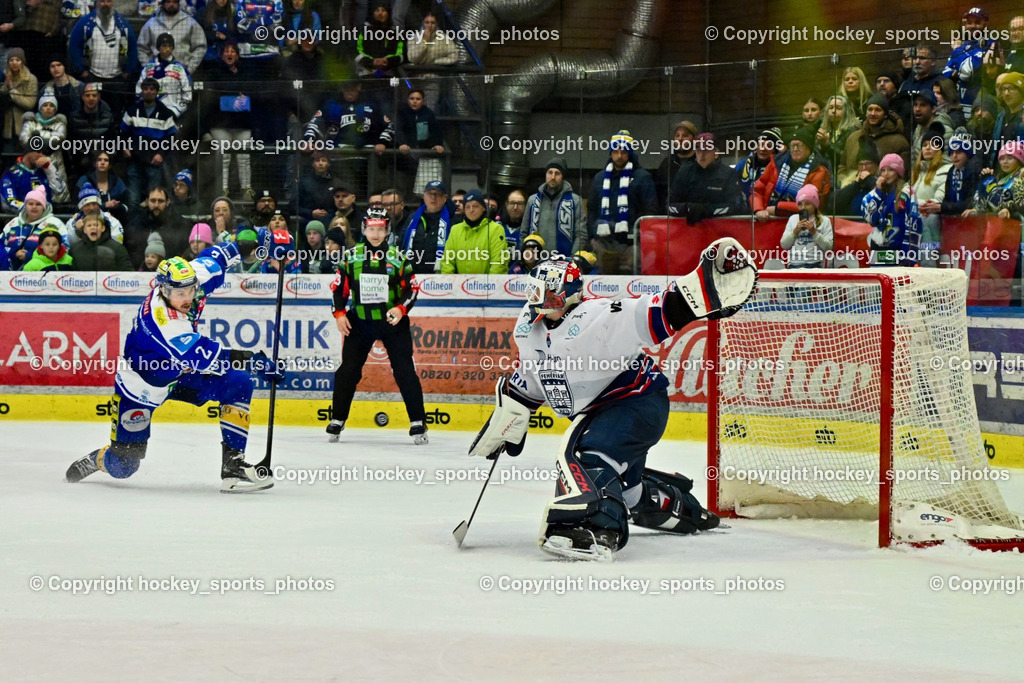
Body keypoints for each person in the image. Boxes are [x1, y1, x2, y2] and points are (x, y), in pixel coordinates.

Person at [468, 238, 758, 559]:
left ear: (570, 296)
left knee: (590, 460)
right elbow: (535, 374)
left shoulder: (601, 317)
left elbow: (656, 311)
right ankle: (687, 511)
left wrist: (702, 291)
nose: (538, 302)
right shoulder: (530, 326)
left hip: (637, 403)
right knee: (628, 491)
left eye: (547, 295)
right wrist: (514, 411)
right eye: (534, 293)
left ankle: (601, 529)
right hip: (602, 413)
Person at [65, 235, 287, 492]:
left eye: (190, 291)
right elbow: (207, 356)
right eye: (179, 293)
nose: (187, 298)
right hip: (142, 384)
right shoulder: (163, 322)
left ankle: (233, 466)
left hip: (181, 375)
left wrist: (262, 242)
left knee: (238, 384)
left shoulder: (194, 276)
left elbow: (225, 253)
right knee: (125, 465)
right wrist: (255, 361)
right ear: (163, 290)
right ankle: (98, 459)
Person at [326, 208, 427, 445]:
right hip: (359, 322)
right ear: (364, 229)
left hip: (392, 323)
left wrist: (401, 309)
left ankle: (418, 422)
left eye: (380, 229)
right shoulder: (351, 257)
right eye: (371, 229)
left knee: (404, 371)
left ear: (387, 230)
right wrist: (340, 314)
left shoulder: (398, 258)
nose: (375, 233)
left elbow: (412, 289)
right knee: (348, 371)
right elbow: (338, 289)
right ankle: (337, 418)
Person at [586, 129, 657, 275]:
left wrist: (640, 238)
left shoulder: (642, 177)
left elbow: (650, 211)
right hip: (603, 243)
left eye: (624, 152)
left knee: (631, 287)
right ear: (610, 153)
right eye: (615, 151)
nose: (619, 156)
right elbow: (592, 208)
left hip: (631, 244)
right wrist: (594, 234)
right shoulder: (600, 178)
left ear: (630, 153)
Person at [122, 78, 178, 207]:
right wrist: (125, 147)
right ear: (141, 91)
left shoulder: (165, 113)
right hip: (134, 159)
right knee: (133, 198)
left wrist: (161, 154)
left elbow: (171, 138)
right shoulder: (132, 110)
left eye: (152, 89)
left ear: (157, 92)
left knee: (153, 197)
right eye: (146, 89)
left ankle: (151, 224)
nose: (148, 92)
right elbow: (122, 132)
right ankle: (133, 225)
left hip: (154, 161)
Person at [669, 132, 746, 224]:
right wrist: (687, 208)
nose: (702, 155)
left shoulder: (728, 174)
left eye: (706, 150)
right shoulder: (684, 172)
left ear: (716, 153)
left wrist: (706, 210)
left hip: (720, 230)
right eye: (698, 150)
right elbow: (669, 204)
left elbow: (736, 206)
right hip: (689, 230)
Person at [862, 153, 921, 266]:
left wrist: (908, 257)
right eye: (883, 170)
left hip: (899, 255)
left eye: (890, 170)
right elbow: (872, 221)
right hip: (877, 253)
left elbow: (914, 224)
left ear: (898, 172)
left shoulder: (907, 192)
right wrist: (878, 194)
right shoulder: (876, 193)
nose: (886, 174)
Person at [523, 157, 588, 258]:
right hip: (536, 259)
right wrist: (527, 257)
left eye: (557, 173)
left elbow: (581, 235)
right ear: (546, 174)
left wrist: (572, 258)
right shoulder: (533, 200)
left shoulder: (575, 201)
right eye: (550, 172)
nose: (553, 177)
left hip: (564, 260)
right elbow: (524, 232)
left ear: (563, 176)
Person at [440, 189, 508, 274]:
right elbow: (447, 261)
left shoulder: (496, 229)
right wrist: (450, 282)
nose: (471, 210)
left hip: (488, 285)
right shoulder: (455, 230)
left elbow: (499, 262)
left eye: (475, 206)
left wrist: (491, 285)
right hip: (460, 285)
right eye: (467, 207)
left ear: (483, 208)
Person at [910, 128, 952, 266]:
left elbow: (937, 200)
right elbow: (904, 196)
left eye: (933, 144)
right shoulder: (917, 173)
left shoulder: (947, 170)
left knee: (924, 219)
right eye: (924, 145)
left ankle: (928, 266)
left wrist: (916, 205)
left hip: (934, 220)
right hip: (915, 216)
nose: (927, 148)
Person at [18, 95, 70, 204]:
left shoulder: (60, 123)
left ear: (55, 109)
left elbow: (59, 138)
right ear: (40, 108)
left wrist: (36, 137)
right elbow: (24, 138)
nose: (48, 108)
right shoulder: (30, 122)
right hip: (33, 162)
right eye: (45, 105)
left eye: (51, 105)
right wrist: (48, 137)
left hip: (55, 161)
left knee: (57, 191)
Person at [1, 187, 67, 269]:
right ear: (25, 206)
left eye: (38, 204)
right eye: (30, 204)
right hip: (10, 274)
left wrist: (32, 255)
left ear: (44, 206)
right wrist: (13, 252)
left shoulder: (55, 223)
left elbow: (65, 248)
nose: (34, 207)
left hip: (43, 273)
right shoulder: (13, 223)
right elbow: (1, 246)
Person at [138, 0, 207, 74]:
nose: (171, 4)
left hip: (182, 72)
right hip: (156, 73)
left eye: (174, 2)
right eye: (168, 2)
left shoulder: (191, 23)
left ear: (179, 3)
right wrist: (148, 69)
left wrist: (190, 69)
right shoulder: (151, 23)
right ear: (163, 4)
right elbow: (141, 48)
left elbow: (200, 47)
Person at [137, 32, 192, 119]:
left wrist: (175, 112)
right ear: (158, 47)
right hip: (149, 113)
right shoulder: (148, 67)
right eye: (164, 46)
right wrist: (145, 109)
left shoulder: (180, 69)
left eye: (170, 46)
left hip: (171, 113)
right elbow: (139, 90)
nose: (167, 49)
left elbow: (187, 95)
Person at [779, 185, 833, 268]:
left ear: (815, 205)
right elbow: (784, 245)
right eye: (800, 204)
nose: (803, 207)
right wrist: (795, 231)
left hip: (815, 264)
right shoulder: (793, 219)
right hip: (794, 264)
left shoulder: (824, 221)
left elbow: (829, 247)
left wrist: (814, 232)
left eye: (807, 204)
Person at [0, 47, 38, 152]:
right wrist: (6, 86)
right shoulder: (5, 76)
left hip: (24, 125)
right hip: (6, 126)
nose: (14, 63)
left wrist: (12, 90)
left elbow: (30, 103)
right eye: (11, 60)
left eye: (17, 60)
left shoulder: (30, 79)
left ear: (22, 62)